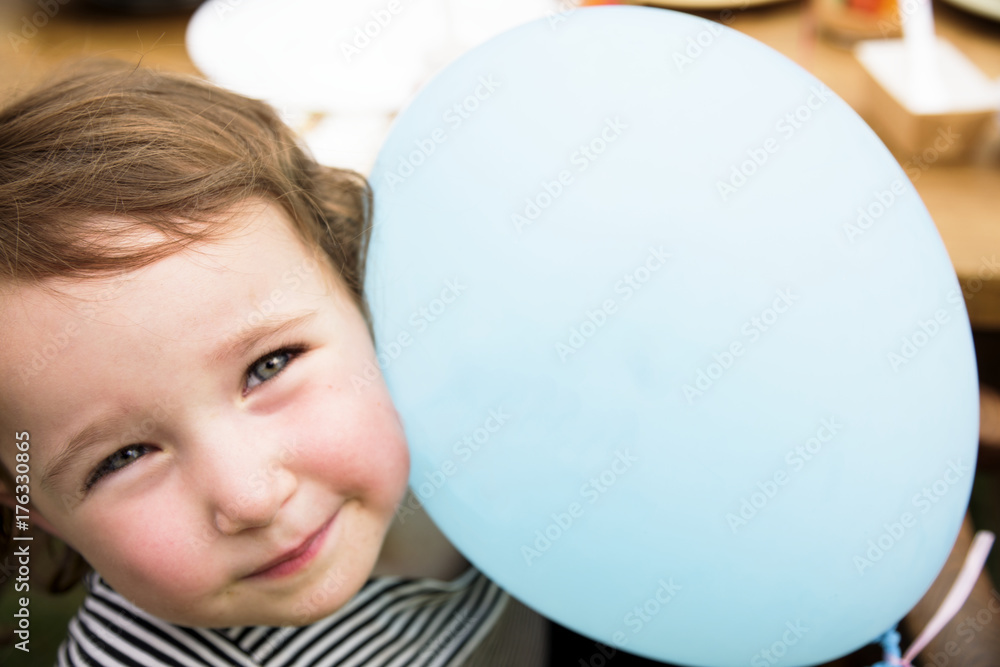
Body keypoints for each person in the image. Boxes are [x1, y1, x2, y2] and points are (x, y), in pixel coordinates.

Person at [0, 59, 547, 666]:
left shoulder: (500, 409)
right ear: (31, 509)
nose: (252, 498)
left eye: (269, 366)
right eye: (123, 458)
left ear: (358, 288)